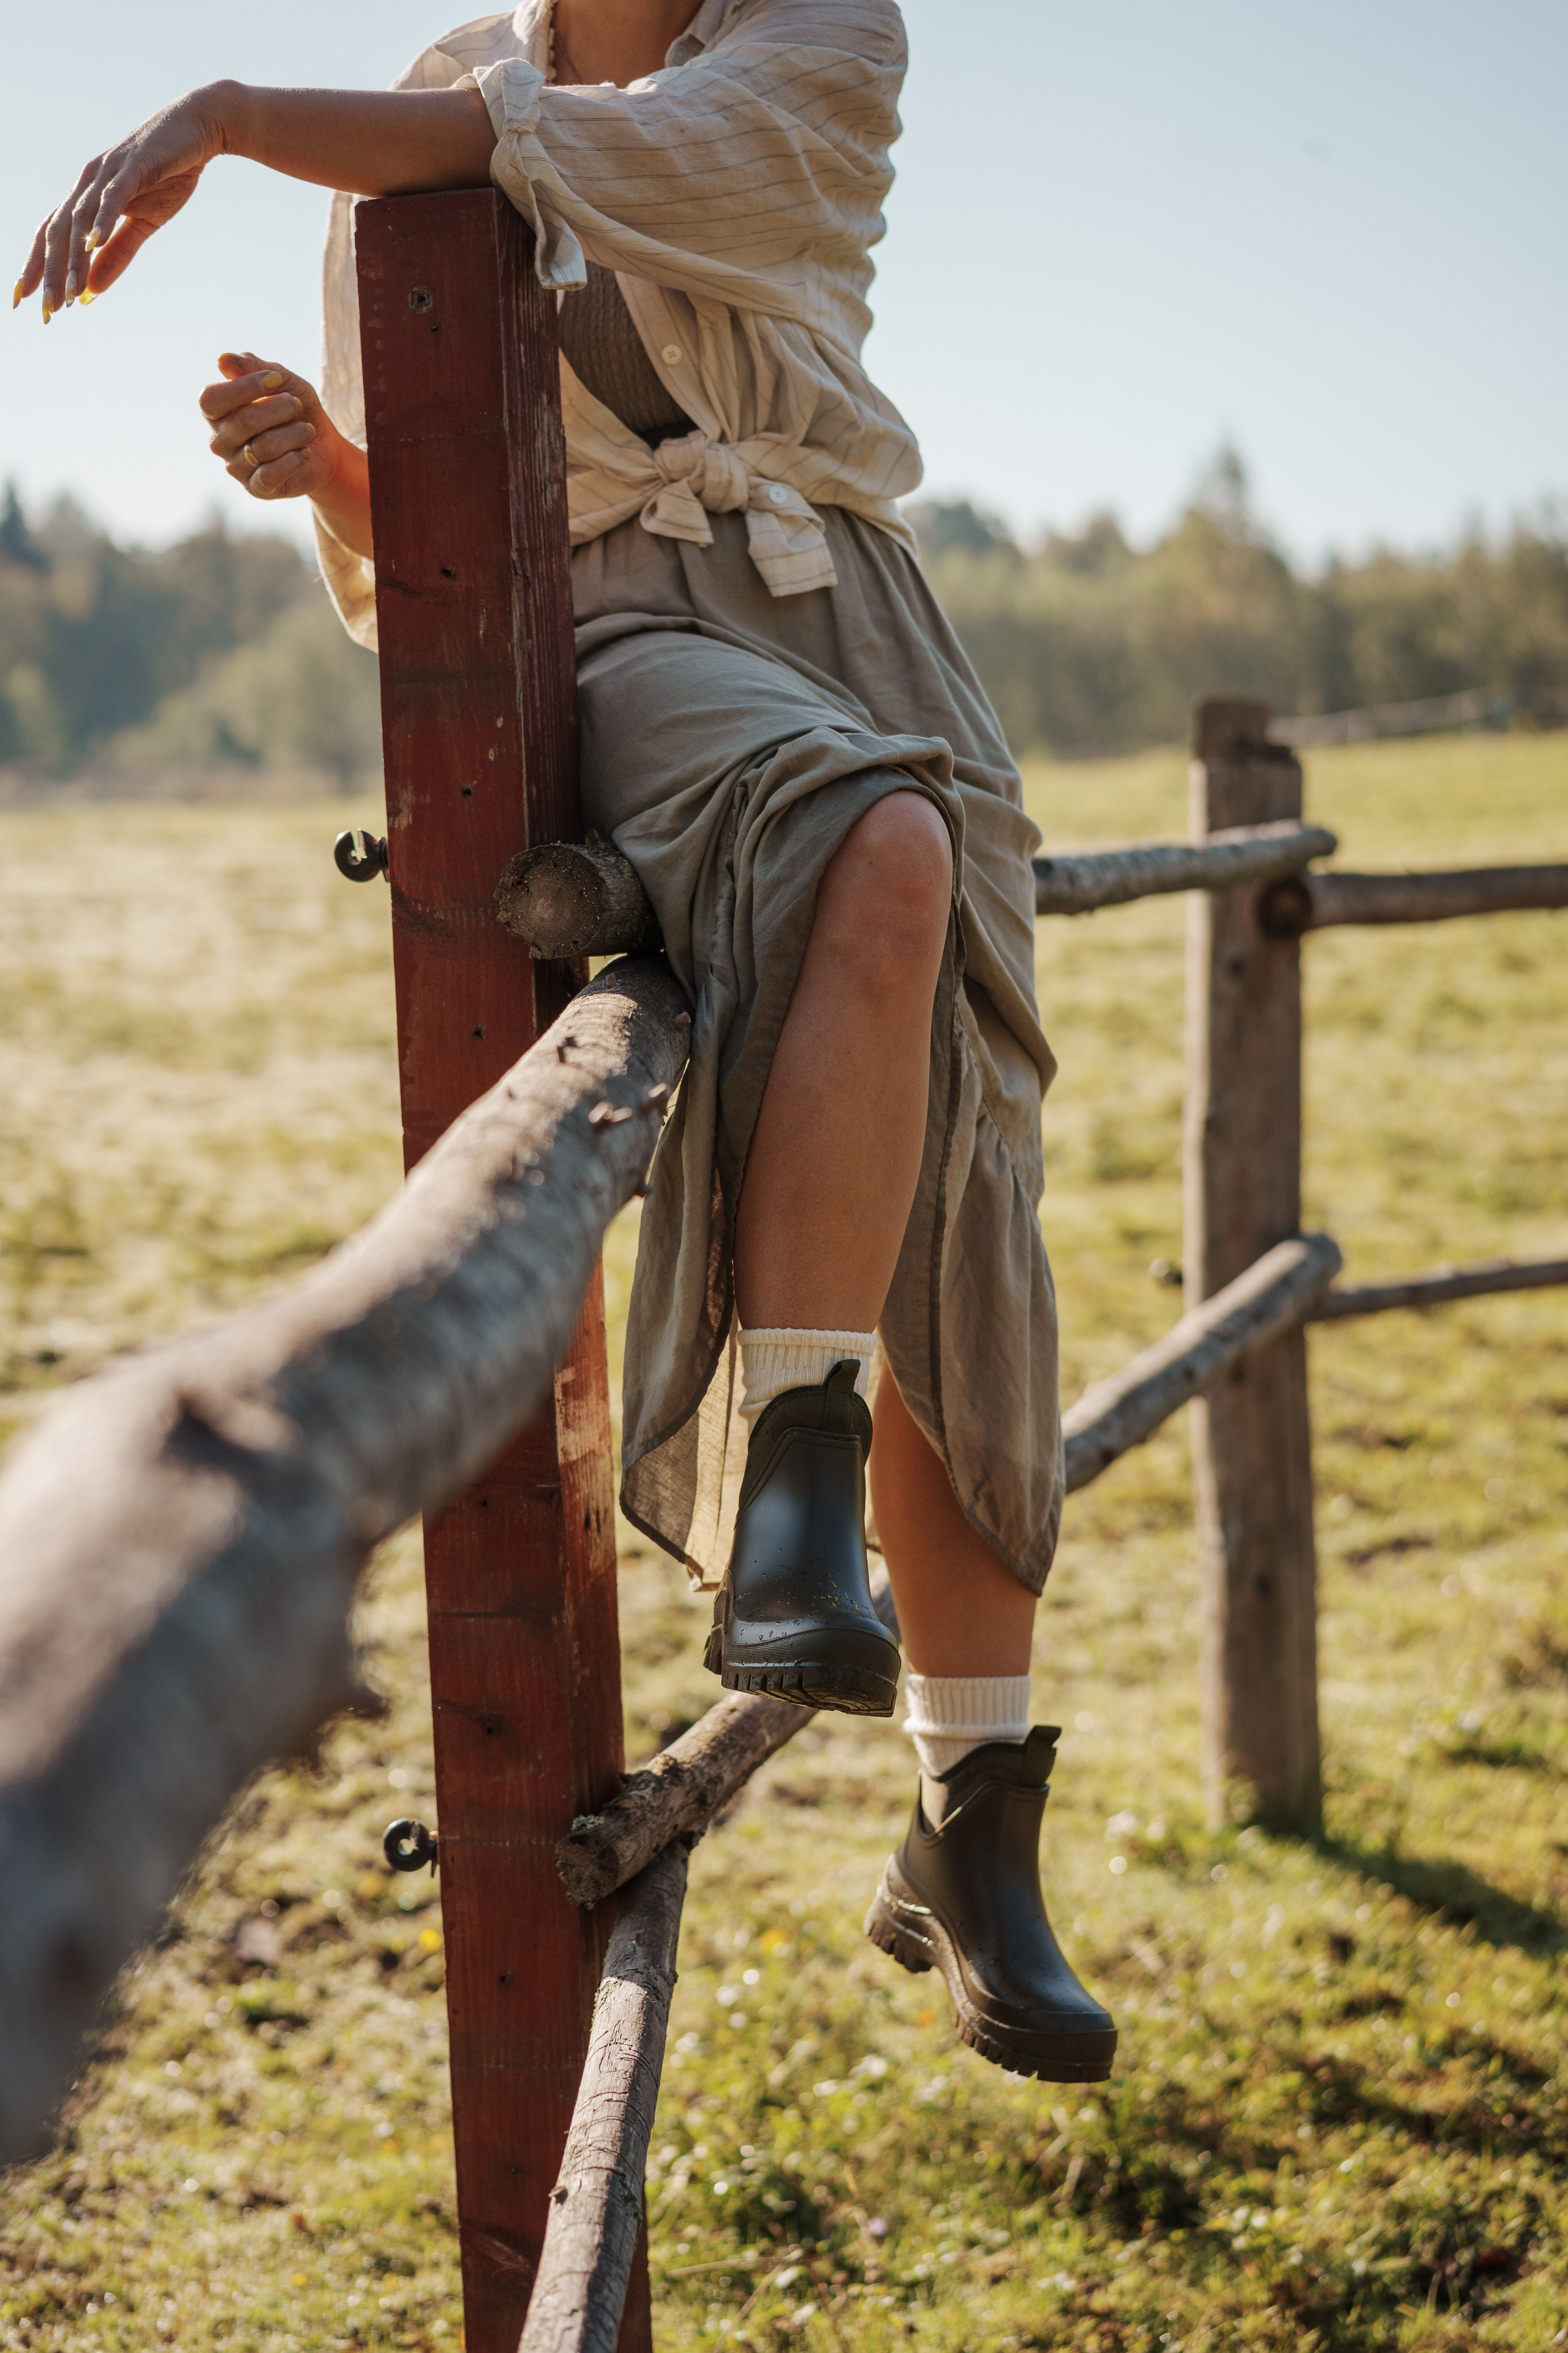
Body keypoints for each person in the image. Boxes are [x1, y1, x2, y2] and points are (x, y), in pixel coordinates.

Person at [18, 0, 1115, 2084]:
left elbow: (604, 158)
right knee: (868, 849)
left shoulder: (818, 45)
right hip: (624, 641)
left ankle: (972, 1813)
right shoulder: (425, 107)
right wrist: (327, 466)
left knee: (965, 1178)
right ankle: (792, 1484)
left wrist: (238, 114)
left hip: (861, 621)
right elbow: (434, 514)